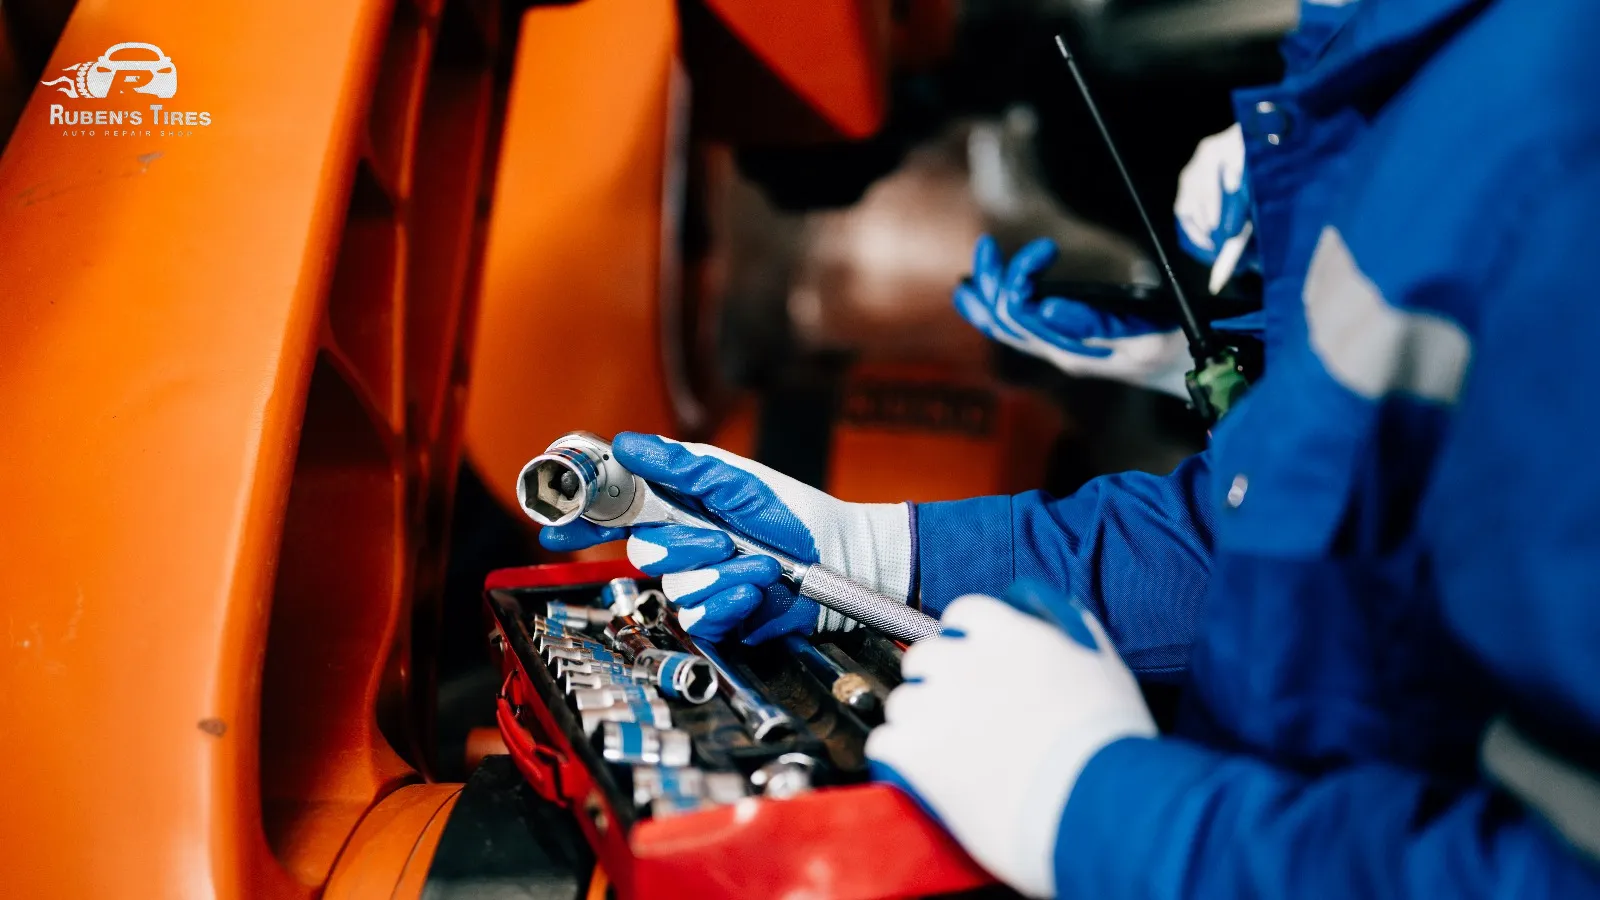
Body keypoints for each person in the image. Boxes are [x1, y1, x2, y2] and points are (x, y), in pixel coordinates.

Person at [543, 0, 1600, 895]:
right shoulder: (1397, 66)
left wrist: (1100, 810)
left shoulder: (1556, 157)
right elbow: (1303, 544)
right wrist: (868, 561)